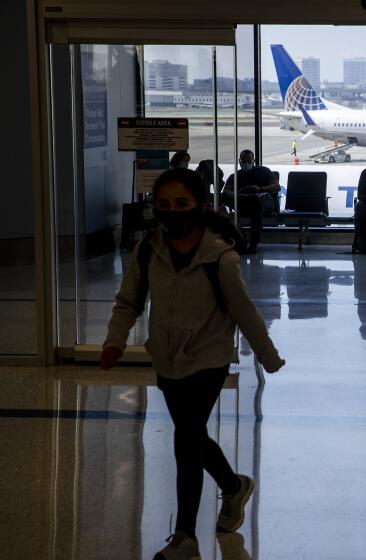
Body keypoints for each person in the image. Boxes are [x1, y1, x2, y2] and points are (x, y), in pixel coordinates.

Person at [99, 168, 285, 560]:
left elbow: (245, 312)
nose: (171, 212)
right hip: (167, 360)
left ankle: (185, 536)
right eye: (163, 205)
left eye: (181, 204)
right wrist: (115, 341)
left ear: (200, 206)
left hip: (209, 359)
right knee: (193, 434)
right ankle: (233, 486)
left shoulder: (221, 258)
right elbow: (129, 300)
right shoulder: (149, 250)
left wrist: (267, 355)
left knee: (185, 437)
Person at [222, 149, 281, 254]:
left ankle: (252, 242)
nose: (246, 164)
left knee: (256, 201)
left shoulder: (263, 171)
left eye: (249, 161)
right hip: (245, 202)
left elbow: (276, 187)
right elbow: (226, 192)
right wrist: (241, 193)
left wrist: (259, 189)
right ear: (240, 161)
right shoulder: (235, 176)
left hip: (264, 201)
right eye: (244, 161)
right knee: (249, 202)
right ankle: (247, 241)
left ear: (254, 161)